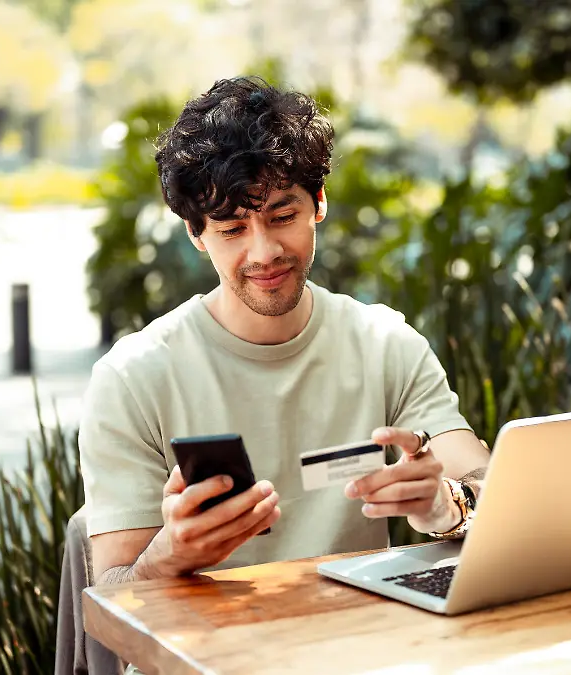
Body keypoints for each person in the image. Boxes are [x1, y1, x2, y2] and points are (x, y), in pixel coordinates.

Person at [80, 75, 491, 589]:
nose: (264, 252)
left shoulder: (385, 344)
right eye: (231, 230)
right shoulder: (134, 376)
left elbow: (488, 490)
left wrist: (447, 504)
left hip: (359, 647)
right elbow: (112, 590)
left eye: (283, 215)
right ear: (196, 234)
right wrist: (167, 556)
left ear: (318, 202)